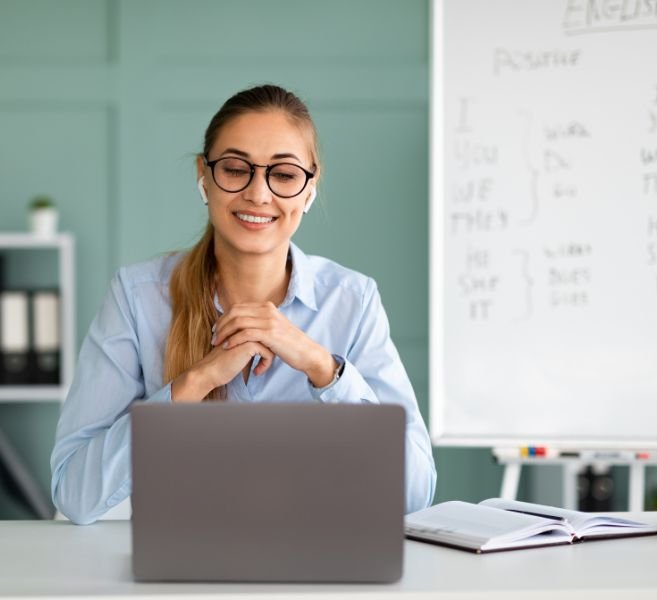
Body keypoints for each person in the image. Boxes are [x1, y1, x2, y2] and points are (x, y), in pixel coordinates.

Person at [51, 84, 436, 525]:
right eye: (235, 169)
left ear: (309, 190)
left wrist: (321, 367)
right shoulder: (137, 297)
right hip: (179, 584)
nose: (258, 194)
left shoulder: (352, 301)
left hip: (320, 578)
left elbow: (416, 492)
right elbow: (74, 493)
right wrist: (194, 383)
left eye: (285, 174)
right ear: (204, 175)